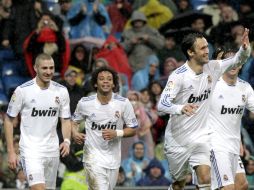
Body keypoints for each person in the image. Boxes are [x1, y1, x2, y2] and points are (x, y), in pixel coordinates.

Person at [157, 29, 251, 190]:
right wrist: (181, 108)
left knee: (206, 177)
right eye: (202, 48)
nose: (207, 50)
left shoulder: (213, 67)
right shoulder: (178, 76)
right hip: (177, 140)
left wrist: (244, 49)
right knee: (179, 183)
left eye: (207, 46)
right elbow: (161, 105)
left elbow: (236, 60)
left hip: (202, 137)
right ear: (190, 52)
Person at [4, 53, 72, 190]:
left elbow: (65, 120)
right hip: (30, 150)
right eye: (44, 68)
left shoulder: (62, 91)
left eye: (51, 68)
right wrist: (11, 151)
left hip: (52, 150)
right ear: (35, 68)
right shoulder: (22, 91)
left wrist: (67, 140)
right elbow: (8, 120)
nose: (48, 72)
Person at [72, 66, 138, 190]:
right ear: (95, 84)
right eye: (101, 79)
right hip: (92, 158)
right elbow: (73, 122)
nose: (106, 81)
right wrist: (75, 133)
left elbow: (133, 129)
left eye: (109, 79)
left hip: (113, 159)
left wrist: (116, 133)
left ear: (114, 84)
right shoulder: (85, 103)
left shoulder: (123, 103)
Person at [208, 48, 254, 190]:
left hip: (233, 144)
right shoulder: (212, 85)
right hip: (215, 145)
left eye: (237, 62)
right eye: (229, 62)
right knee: (228, 187)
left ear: (240, 64)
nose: (233, 65)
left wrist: (239, 141)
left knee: (242, 185)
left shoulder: (245, 87)